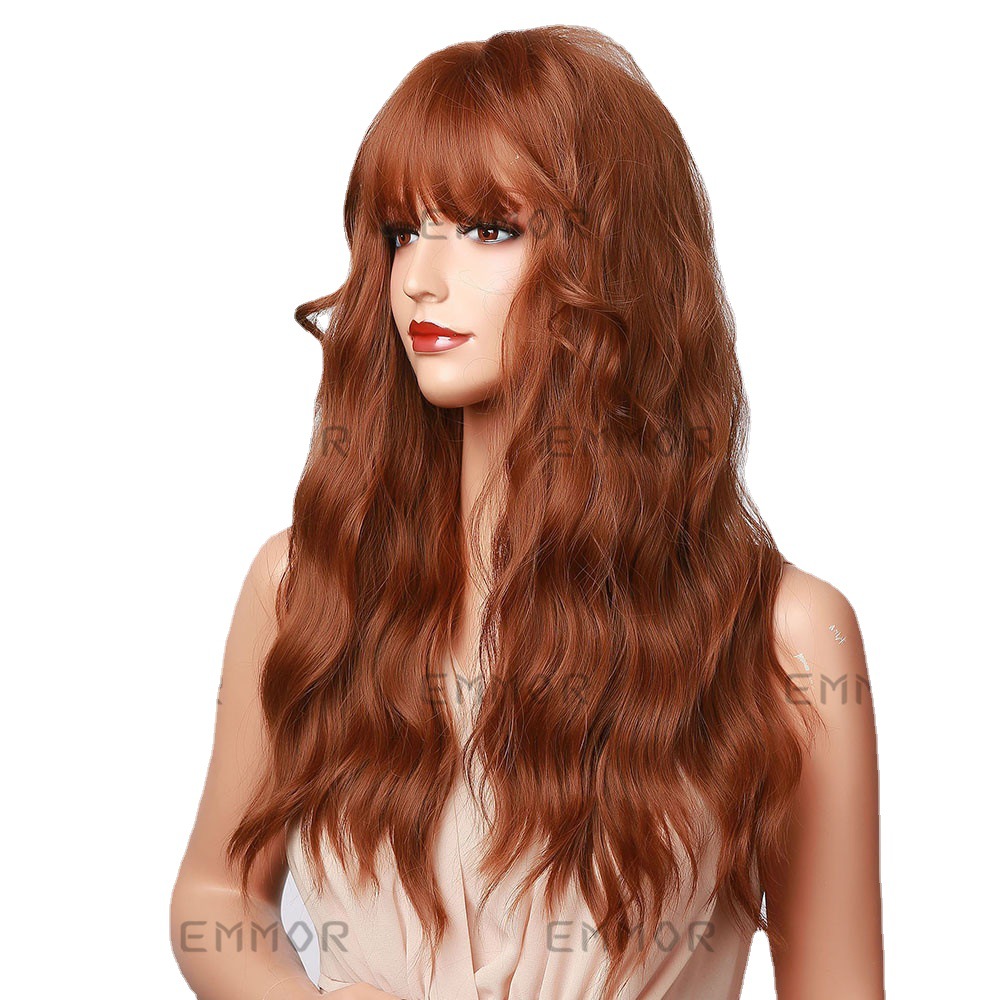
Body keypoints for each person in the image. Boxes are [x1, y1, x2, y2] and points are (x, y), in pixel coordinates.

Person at [171, 24, 885, 1000]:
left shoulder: (786, 638)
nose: (420, 278)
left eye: (489, 229)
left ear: (612, 257)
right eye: (401, 230)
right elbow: (216, 894)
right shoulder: (304, 586)